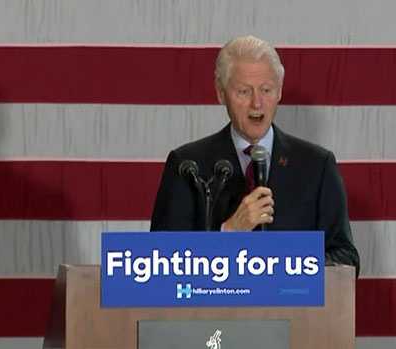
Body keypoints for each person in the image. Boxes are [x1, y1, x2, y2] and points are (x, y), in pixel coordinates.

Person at [150, 35, 360, 276]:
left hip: (294, 311)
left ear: (280, 92)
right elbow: (159, 262)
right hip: (214, 311)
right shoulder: (187, 166)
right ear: (221, 94)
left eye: (266, 90)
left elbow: (346, 259)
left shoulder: (316, 166)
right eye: (243, 91)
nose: (257, 103)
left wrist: (281, 268)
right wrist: (229, 233)